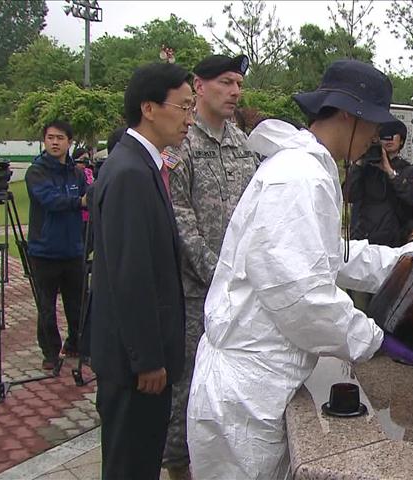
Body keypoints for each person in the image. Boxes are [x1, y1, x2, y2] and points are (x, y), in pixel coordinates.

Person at [187, 59, 413, 480]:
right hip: (247, 394)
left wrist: (405, 259)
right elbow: (300, 297)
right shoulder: (297, 178)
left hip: (257, 384)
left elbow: (326, 256)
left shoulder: (306, 170)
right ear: (346, 115)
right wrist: (374, 339)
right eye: (372, 122)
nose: (377, 135)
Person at [89, 63, 192, 479]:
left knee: (140, 461)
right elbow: (130, 275)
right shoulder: (130, 171)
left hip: (138, 360)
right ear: (149, 108)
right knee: (130, 465)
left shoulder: (143, 164)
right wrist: (148, 359)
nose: (189, 118)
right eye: (183, 107)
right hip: (135, 368)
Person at [162, 54, 258, 480]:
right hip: (195, 295)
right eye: (225, 82)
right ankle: (179, 469)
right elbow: (179, 221)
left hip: (240, 296)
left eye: (238, 83)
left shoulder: (243, 144)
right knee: (186, 389)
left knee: (231, 388)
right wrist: (220, 276)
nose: (235, 91)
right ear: (198, 87)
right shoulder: (179, 145)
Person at [25, 120, 88, 369]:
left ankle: (75, 344)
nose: (54, 142)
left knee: (76, 304)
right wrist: (78, 201)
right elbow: (49, 200)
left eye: (60, 138)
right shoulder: (36, 172)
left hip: (73, 249)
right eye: (50, 137)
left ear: (69, 142)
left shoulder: (77, 173)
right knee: (46, 306)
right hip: (44, 250)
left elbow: (87, 201)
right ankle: (50, 352)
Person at [347, 119, 413, 247]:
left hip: (394, 241)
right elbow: (349, 195)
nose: (388, 139)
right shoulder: (366, 169)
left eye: (393, 135)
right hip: (365, 239)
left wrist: (390, 172)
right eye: (384, 136)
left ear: (402, 140)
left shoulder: (410, 170)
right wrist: (358, 163)